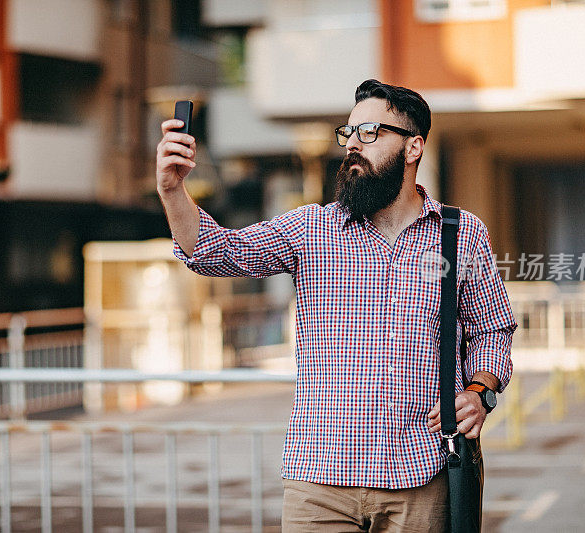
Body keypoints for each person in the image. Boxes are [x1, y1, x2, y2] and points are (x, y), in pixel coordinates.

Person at [155, 79, 517, 532]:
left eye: (370, 133)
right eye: (348, 134)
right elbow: (212, 251)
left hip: (421, 478)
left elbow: (492, 329)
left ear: (413, 147)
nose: (353, 146)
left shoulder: (460, 233)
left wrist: (479, 392)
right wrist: (173, 191)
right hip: (319, 485)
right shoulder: (313, 228)